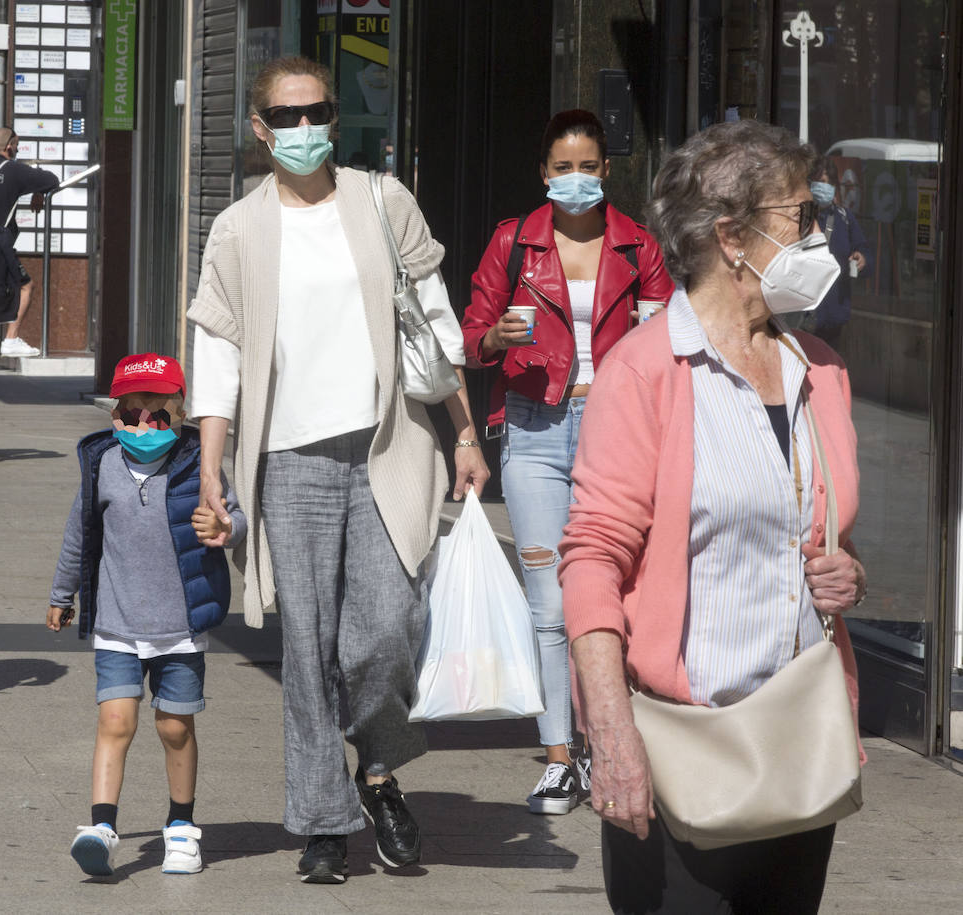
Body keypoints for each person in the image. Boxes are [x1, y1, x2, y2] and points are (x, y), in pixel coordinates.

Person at [186, 56, 491, 884]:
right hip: (289, 457)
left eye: (316, 111)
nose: (303, 129)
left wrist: (464, 433)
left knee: (386, 630)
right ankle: (324, 819)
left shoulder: (382, 200)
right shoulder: (240, 229)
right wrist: (211, 470)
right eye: (284, 117)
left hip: (388, 442)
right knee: (311, 645)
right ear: (259, 128)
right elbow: (216, 356)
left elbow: (437, 327)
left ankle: (378, 765)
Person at [558, 119, 865, 912]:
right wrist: (612, 733)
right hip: (682, 752)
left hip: (798, 743)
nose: (817, 234)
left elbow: (816, 529)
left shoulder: (819, 370)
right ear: (732, 237)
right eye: (800, 217)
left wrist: (844, 570)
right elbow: (593, 558)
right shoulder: (646, 372)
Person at [460, 109, 674, 816]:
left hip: (619, 431)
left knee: (619, 591)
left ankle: (611, 739)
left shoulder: (639, 246)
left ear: (606, 171)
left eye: (589, 166)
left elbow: (674, 335)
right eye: (563, 167)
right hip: (535, 430)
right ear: (543, 172)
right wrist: (497, 333)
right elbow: (470, 340)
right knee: (549, 602)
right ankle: (560, 755)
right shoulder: (514, 242)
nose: (575, 178)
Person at [47, 353, 246, 878]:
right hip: (117, 622)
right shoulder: (104, 466)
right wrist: (61, 593)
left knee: (175, 727)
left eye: (158, 415)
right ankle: (101, 827)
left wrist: (227, 528)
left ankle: (181, 828)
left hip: (180, 626)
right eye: (131, 414)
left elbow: (237, 514)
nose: (143, 425)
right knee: (115, 720)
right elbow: (79, 533)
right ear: (114, 415)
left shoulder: (199, 463)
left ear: (178, 414)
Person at [0, 128, 60, 357]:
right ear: (9, 146)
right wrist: (40, 191)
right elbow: (52, 180)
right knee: (25, 286)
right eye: (17, 145)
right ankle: (11, 339)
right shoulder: (14, 170)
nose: (17, 149)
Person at [807, 155, 870, 349]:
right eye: (815, 182)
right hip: (805, 313)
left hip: (834, 313)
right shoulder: (801, 216)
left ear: (833, 185)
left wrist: (862, 258)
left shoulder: (845, 218)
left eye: (824, 182)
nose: (819, 187)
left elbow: (863, 249)